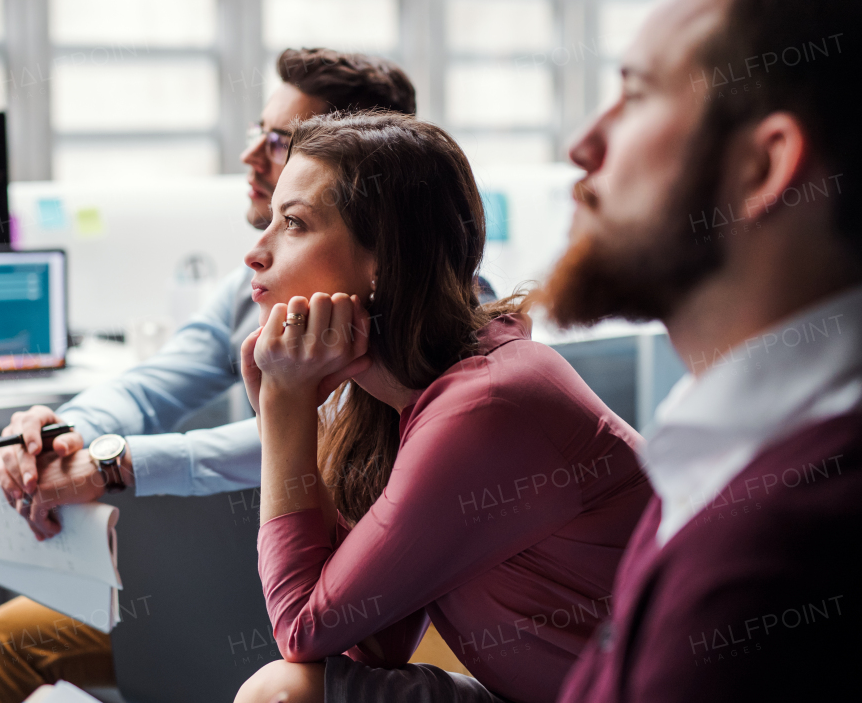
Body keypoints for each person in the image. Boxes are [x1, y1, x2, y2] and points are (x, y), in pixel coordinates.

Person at [0, 49, 417, 703]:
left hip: (339, 600)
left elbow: (314, 436)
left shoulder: (425, 302)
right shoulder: (254, 283)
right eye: (257, 134)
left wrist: (115, 464)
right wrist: (69, 428)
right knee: (12, 635)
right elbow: (160, 378)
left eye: (279, 141)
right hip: (237, 570)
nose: (251, 159)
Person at [232, 112, 652, 703]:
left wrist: (282, 410)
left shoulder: (487, 404)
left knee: (283, 693)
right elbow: (369, 641)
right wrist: (294, 407)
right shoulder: (399, 400)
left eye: (294, 224)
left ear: (383, 263)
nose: (256, 252)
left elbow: (303, 629)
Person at [547, 0, 862, 702]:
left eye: (638, 92)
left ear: (763, 166)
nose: (584, 144)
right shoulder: (729, 456)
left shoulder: (780, 557)